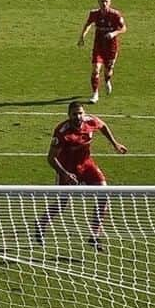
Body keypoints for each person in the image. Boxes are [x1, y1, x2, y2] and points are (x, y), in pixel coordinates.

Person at [35, 101, 127, 250]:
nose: (78, 116)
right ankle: (40, 223)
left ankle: (94, 235)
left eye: (80, 113)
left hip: (87, 164)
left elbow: (103, 126)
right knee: (62, 203)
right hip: (67, 169)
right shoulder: (62, 132)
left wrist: (115, 143)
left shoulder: (90, 121)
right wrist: (64, 174)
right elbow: (51, 158)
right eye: (74, 114)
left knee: (104, 194)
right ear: (69, 115)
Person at [77, 0, 126, 103]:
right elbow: (88, 25)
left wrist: (114, 33)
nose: (104, 3)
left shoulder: (115, 15)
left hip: (111, 47)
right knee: (95, 70)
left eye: (106, 1)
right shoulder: (94, 14)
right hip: (98, 46)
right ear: (98, 2)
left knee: (108, 70)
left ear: (109, 2)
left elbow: (123, 28)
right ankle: (95, 94)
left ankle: (107, 80)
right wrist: (82, 37)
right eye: (102, 1)